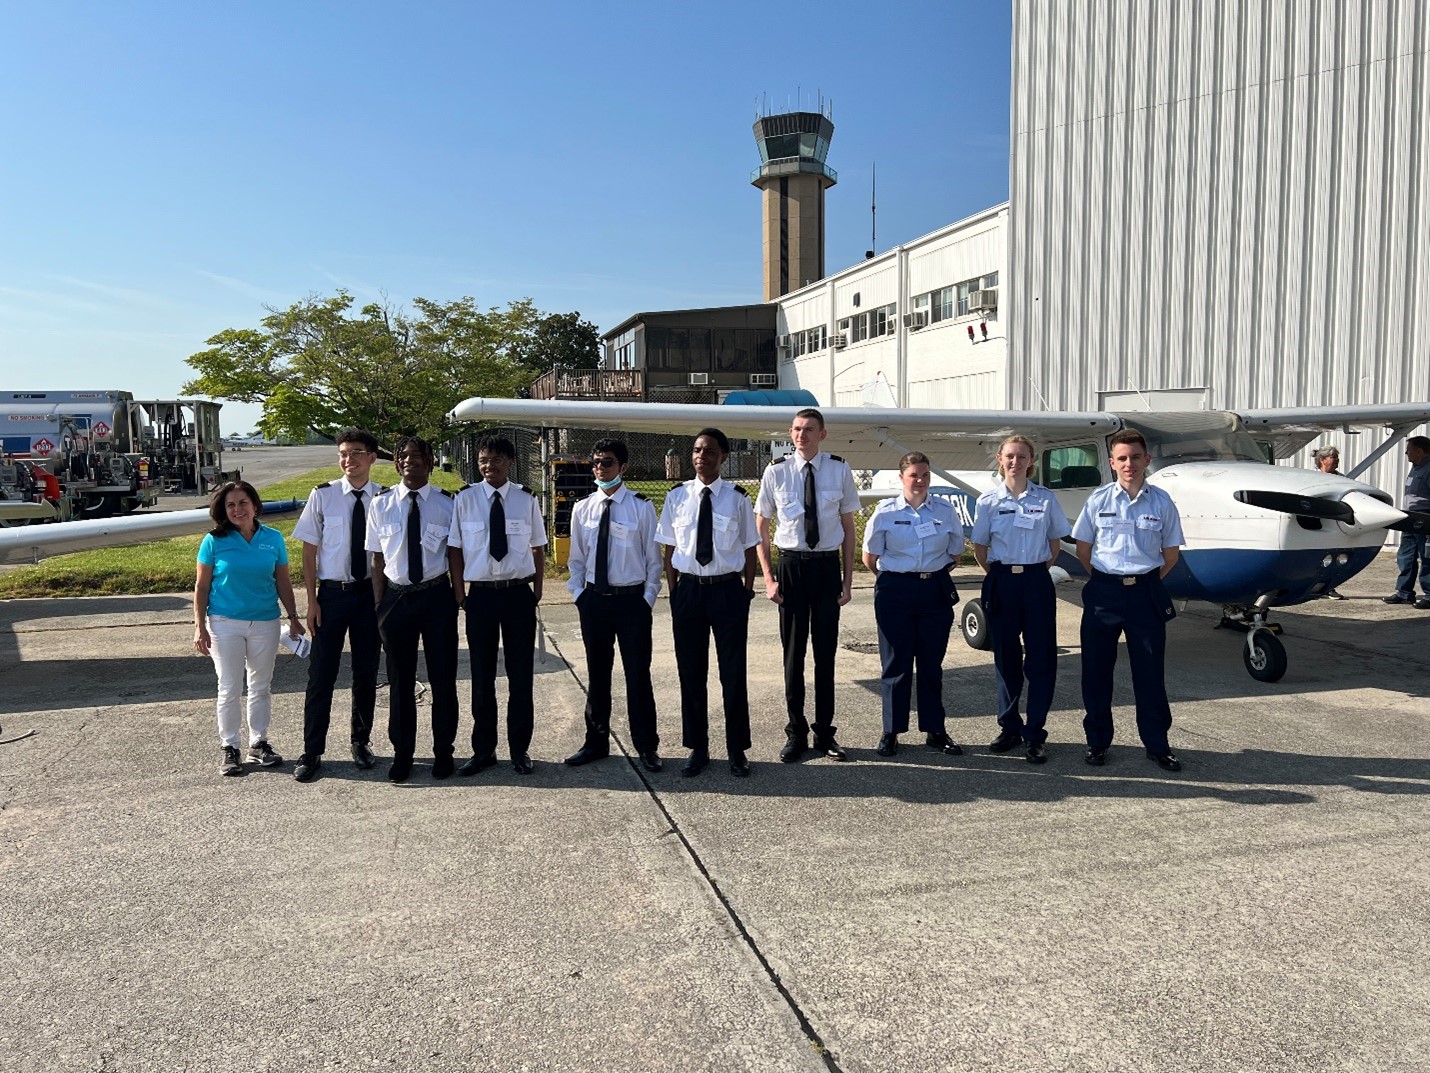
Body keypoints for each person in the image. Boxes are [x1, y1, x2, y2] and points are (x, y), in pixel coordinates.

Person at [1072, 429, 1186, 772]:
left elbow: (1170, 555)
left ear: (1147, 460)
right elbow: (1083, 550)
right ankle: (1097, 742)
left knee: (1149, 674)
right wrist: (1110, 581)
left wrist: (1140, 582)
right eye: (1122, 458)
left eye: (1135, 457)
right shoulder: (1098, 500)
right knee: (1095, 672)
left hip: (1145, 594)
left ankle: (1157, 744)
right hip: (1104, 593)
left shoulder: (1162, 502)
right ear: (1111, 463)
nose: (1129, 464)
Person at [755, 408, 860, 763]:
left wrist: (848, 581)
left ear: (822, 434)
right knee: (793, 655)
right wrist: (768, 578)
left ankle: (825, 734)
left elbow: (849, 530)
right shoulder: (776, 471)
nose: (802, 435)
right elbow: (761, 529)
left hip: (826, 568)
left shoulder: (839, 469)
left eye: (809, 429)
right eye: (797, 429)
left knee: (825, 656)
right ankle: (795, 732)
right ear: (791, 432)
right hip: (792, 568)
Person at [656, 428, 760, 777]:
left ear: (723, 457)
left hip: (727, 591)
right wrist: (673, 590)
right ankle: (697, 748)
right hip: (689, 591)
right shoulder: (677, 497)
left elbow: (749, 548)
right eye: (697, 450)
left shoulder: (737, 498)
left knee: (733, 673)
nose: (702, 456)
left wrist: (746, 591)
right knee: (691, 672)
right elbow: (669, 547)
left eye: (710, 451)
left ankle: (737, 749)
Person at [447, 434, 546, 776]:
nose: (490, 466)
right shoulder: (465, 499)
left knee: (521, 677)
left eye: (497, 460)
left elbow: (538, 546)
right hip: (482, 598)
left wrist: (537, 589)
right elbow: (455, 550)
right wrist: (460, 593)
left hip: (518, 595)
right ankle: (483, 750)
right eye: (484, 460)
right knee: (481, 676)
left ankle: (520, 750)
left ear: (510, 463)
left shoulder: (525, 499)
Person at [969, 436, 1071, 764]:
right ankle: (1009, 726)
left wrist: (1034, 573)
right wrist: (1001, 574)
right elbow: (980, 548)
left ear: (1031, 461)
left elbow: (1054, 542)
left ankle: (1035, 732)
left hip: (1036, 582)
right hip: (1001, 581)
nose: (1015, 462)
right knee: (1006, 657)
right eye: (1010, 456)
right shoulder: (987, 501)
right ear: (1000, 459)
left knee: (1041, 658)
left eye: (1022, 456)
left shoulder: (1045, 499)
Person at [563, 439, 663, 771]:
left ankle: (647, 746)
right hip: (595, 603)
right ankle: (596, 742)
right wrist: (579, 595)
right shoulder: (583, 508)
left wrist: (647, 600)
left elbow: (653, 561)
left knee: (637, 675)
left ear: (623, 467)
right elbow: (576, 560)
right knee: (598, 675)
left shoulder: (641, 507)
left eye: (607, 462)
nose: (599, 468)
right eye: (594, 462)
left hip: (632, 602)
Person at [291, 429, 384, 782]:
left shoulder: (384, 498)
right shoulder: (324, 496)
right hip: (331, 596)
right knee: (321, 675)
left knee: (366, 673)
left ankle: (361, 742)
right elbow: (309, 550)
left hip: (368, 596)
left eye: (356, 453)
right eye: (343, 454)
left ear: (372, 457)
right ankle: (312, 750)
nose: (349, 460)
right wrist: (311, 601)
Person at [193, 481, 304, 776]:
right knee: (229, 687)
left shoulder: (273, 539)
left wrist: (293, 616)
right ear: (223, 510)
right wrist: (199, 626)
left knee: (260, 685)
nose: (237, 509)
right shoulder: (213, 541)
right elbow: (202, 586)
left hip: (265, 622)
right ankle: (230, 747)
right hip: (224, 623)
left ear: (255, 505)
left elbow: (282, 581)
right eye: (230, 505)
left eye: (243, 503)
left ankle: (259, 742)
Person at [365, 436, 459, 783]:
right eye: (403, 456)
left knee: (443, 679)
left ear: (430, 461)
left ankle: (443, 752)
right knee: (400, 682)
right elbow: (376, 557)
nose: (409, 461)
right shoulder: (381, 504)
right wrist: (378, 604)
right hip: (396, 599)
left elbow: (454, 554)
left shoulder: (449, 504)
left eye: (417, 456)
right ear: (396, 464)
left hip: (436, 597)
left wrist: (458, 597)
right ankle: (402, 753)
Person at [861, 452, 965, 758]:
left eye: (925, 475)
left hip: (934, 588)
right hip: (895, 591)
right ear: (901, 477)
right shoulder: (884, 512)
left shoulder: (945, 511)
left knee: (931, 664)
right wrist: (896, 580)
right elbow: (870, 557)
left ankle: (935, 730)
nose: (920, 481)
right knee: (897, 664)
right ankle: (891, 731)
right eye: (914, 475)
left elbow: (956, 553)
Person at [1384, 435, 1430, 609]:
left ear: (1419, 451)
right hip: (1410, 517)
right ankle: (1404, 593)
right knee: (1406, 555)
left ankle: (1429, 594)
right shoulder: (1415, 468)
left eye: (1409, 449)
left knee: (1426, 557)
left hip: (1425, 518)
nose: (1406, 453)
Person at [1312, 447, 1347, 599]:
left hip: (1333, 524)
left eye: (1337, 457)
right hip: (1314, 524)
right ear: (1322, 460)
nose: (1337, 460)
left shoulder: (1342, 478)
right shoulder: (1309, 476)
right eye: (1333, 457)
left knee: (1334, 557)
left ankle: (1329, 587)